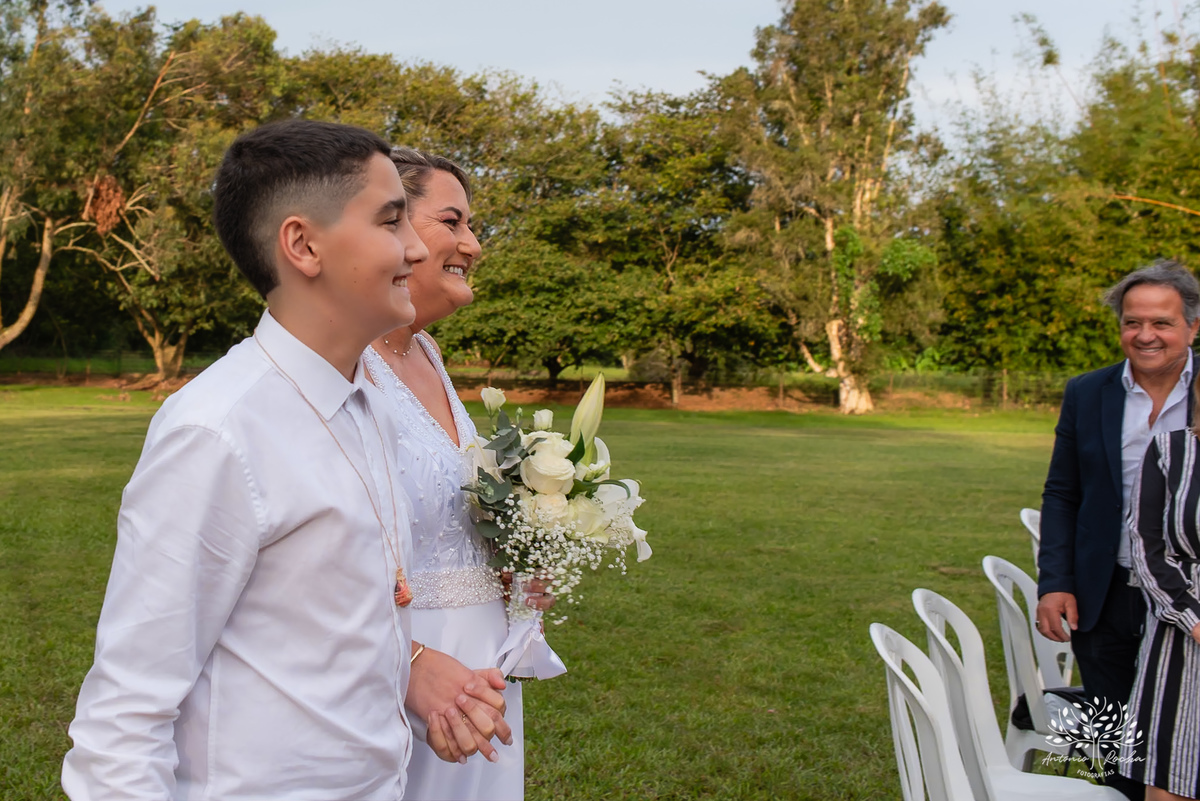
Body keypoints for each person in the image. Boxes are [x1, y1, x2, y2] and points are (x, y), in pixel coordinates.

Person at [61, 120, 510, 800]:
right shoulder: (218, 431)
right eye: (392, 222)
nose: (416, 247)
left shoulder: (369, 406)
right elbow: (124, 717)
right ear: (302, 245)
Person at [363, 147, 551, 801]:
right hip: (406, 661)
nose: (473, 244)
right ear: (393, 225)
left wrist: (515, 563)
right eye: (454, 221)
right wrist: (408, 662)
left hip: (481, 655)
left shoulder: (429, 352)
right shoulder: (348, 362)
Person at [1037, 260, 1200, 799]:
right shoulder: (1088, 392)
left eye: (1162, 323)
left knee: (1182, 745)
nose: (1145, 335)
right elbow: (1064, 492)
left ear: (1193, 326)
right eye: (1133, 322)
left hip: (1187, 598)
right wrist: (1054, 581)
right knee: (1112, 742)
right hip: (1102, 593)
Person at [1121, 417, 1200, 800]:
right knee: (1172, 772)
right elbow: (1144, 543)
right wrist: (1192, 619)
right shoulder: (1171, 450)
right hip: (1180, 633)